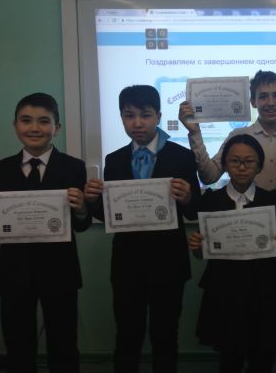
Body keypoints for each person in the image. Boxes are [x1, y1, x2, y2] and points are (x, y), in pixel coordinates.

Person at [0, 92, 91, 373]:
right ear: (15, 126)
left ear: (57, 128)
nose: (34, 128)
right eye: (26, 120)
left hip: (60, 271)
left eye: (44, 121)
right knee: (18, 346)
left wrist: (83, 209)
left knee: (64, 345)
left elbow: (81, 224)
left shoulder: (74, 167)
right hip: (14, 272)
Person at [84, 85, 200, 373]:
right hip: (127, 263)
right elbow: (109, 215)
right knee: (127, 335)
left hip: (169, 262)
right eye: (129, 115)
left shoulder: (181, 156)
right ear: (121, 118)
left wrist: (187, 197)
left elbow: (194, 210)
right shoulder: (114, 160)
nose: (137, 123)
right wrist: (93, 200)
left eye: (145, 115)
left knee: (165, 336)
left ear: (158, 116)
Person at [188, 134, 276, 373]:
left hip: (263, 291)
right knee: (229, 357)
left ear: (259, 166)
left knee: (263, 357)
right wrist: (197, 248)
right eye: (234, 161)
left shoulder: (272, 200)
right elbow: (203, 255)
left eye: (249, 161)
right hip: (224, 291)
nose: (242, 167)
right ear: (224, 164)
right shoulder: (211, 201)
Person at [179, 70, 276, 191]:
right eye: (263, 96)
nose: (271, 102)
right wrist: (195, 133)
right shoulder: (238, 136)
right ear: (253, 102)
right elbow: (209, 177)